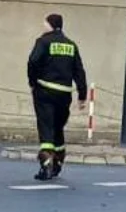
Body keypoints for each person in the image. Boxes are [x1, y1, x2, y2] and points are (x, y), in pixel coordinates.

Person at [27, 13, 87, 181]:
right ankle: (58, 162)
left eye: (44, 23)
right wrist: (82, 95)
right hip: (64, 93)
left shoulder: (43, 42)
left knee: (46, 127)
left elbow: (33, 62)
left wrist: (33, 81)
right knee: (58, 127)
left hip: (44, 91)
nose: (43, 27)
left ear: (50, 25)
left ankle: (46, 165)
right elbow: (79, 71)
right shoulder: (71, 45)